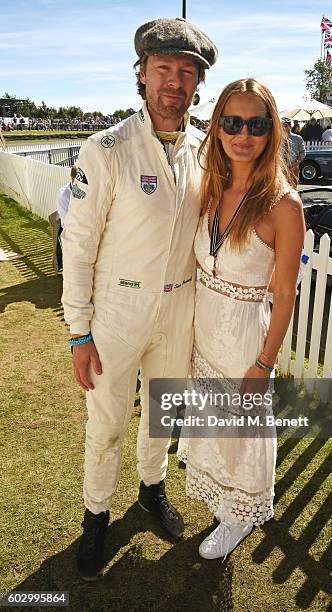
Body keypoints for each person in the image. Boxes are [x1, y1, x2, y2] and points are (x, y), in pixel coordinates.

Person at [61, 17, 218, 581]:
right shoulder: (107, 149)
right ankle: (95, 517)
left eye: (187, 72)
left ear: (197, 83)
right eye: (163, 69)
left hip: (179, 309)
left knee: (161, 416)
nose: (175, 82)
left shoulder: (208, 150)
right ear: (142, 74)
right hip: (116, 312)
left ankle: (152, 492)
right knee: (105, 424)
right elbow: (78, 246)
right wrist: (79, 331)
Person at [177, 78, 305, 559]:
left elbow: (285, 295)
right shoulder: (210, 186)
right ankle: (222, 500)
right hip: (203, 331)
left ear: (271, 131)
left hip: (244, 342)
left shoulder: (283, 205)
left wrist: (264, 364)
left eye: (256, 123)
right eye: (232, 122)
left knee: (243, 434)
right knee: (212, 424)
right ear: (218, 126)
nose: (242, 134)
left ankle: (239, 516)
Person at [282, 118, 306, 188]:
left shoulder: (298, 138)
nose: (284, 127)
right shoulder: (278, 138)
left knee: (293, 188)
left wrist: (297, 163)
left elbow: (303, 152)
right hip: (281, 167)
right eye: (282, 125)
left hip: (293, 166)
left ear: (290, 126)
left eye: (286, 125)